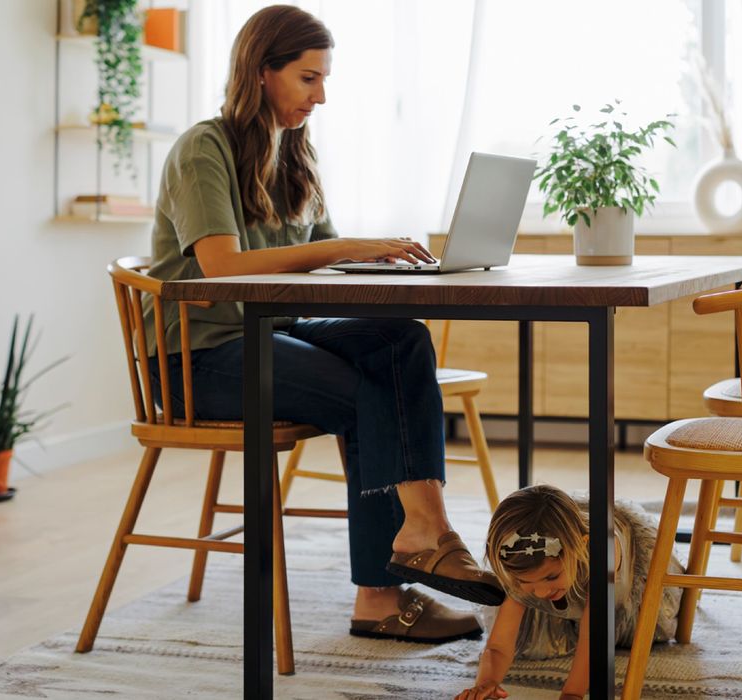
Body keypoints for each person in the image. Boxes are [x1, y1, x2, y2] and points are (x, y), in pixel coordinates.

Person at [143, 5, 503, 642]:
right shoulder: (204, 148)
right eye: (308, 79)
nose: (321, 96)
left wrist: (380, 260)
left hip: (274, 330)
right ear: (261, 71)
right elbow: (222, 266)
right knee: (371, 393)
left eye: (324, 80)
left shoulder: (294, 152)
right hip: (201, 358)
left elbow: (327, 262)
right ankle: (389, 585)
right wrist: (344, 247)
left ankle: (423, 532)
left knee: (400, 339)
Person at [454, 485, 684, 700]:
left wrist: (572, 694)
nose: (541, 592)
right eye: (526, 581)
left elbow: (593, 636)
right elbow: (498, 645)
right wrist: (486, 682)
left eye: (551, 577)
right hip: (566, 567)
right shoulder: (519, 562)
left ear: (580, 547)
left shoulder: (602, 550)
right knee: (528, 637)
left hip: (617, 578)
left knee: (628, 634)